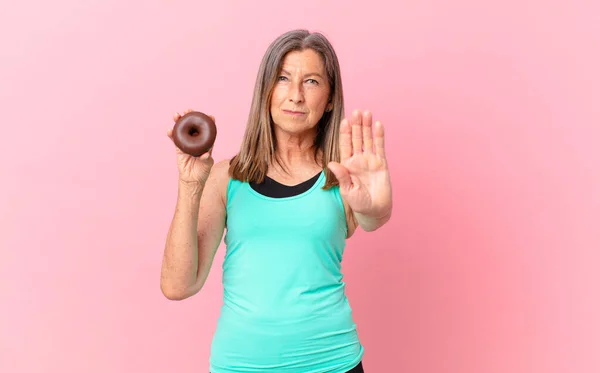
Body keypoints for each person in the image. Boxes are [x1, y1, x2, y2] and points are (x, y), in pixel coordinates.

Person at [160, 29, 393, 373]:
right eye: (283, 78)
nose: (296, 95)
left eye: (311, 82)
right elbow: (178, 285)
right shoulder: (227, 177)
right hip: (240, 365)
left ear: (330, 98)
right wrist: (190, 184)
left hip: (332, 363)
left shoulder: (343, 173)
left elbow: (372, 218)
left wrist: (376, 208)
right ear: (266, 90)